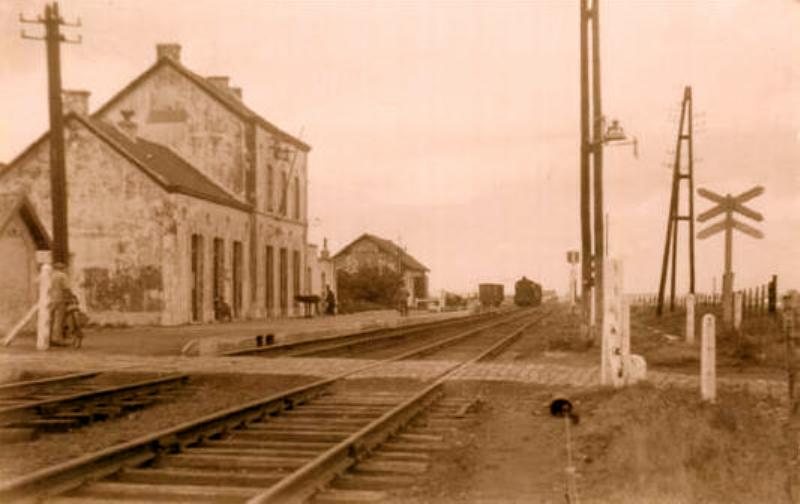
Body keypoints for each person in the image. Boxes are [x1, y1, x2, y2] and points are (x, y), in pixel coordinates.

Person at [49, 262, 70, 345]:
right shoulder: (62, 276)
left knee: (50, 320)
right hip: (60, 299)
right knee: (59, 320)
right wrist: (69, 297)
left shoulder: (50, 276)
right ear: (62, 268)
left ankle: (49, 338)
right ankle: (58, 339)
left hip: (50, 299)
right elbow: (66, 288)